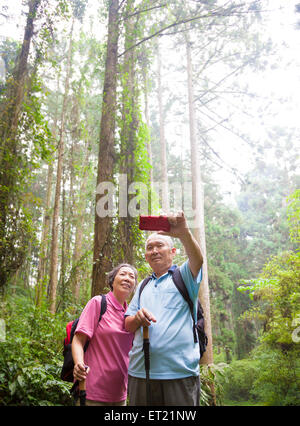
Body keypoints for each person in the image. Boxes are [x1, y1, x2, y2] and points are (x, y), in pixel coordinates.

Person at [125, 211, 204, 406]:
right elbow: (127, 324)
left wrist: (184, 233)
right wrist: (137, 318)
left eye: (160, 245)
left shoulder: (184, 277)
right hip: (140, 373)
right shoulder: (143, 286)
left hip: (180, 374)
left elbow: (198, 260)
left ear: (173, 251)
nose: (154, 251)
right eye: (150, 247)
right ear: (146, 256)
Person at [72, 263, 137, 406]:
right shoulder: (98, 303)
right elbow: (78, 339)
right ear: (112, 281)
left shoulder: (132, 315)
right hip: (91, 392)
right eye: (122, 274)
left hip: (120, 394)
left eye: (131, 277)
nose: (127, 278)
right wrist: (78, 364)